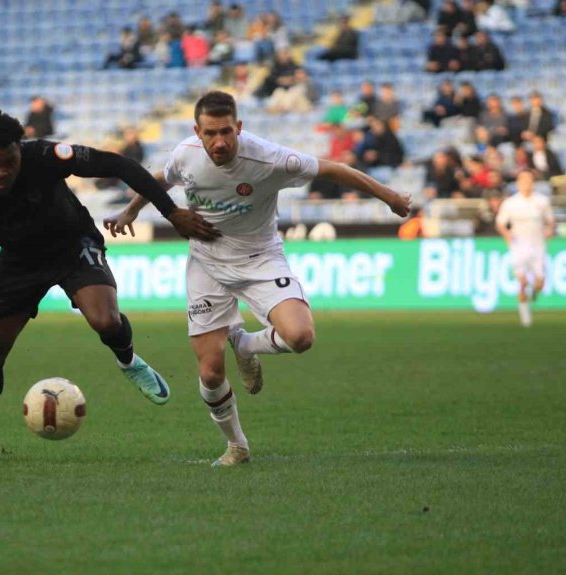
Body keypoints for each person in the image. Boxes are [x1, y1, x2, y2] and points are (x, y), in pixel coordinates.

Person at [0, 111, 219, 466]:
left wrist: (171, 212)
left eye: (8, 162)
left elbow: (120, 164)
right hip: (19, 260)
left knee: (105, 320)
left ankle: (129, 361)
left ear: (21, 149)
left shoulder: (46, 156)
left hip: (72, 245)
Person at [104, 91, 410, 466]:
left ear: (239, 128)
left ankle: (246, 345)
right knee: (211, 370)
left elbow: (332, 169)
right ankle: (237, 446)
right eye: (211, 133)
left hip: (260, 259)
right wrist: (130, 211)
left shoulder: (267, 158)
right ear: (196, 132)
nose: (220, 141)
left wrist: (389, 195)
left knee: (301, 337)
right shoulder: (185, 153)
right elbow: (160, 180)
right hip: (207, 263)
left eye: (227, 132)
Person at [495, 170, 554, 327]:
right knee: (522, 281)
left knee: (540, 283)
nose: (527, 183)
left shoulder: (542, 201)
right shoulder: (511, 203)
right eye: (523, 180)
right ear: (518, 183)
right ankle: (525, 316)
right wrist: (507, 234)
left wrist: (549, 230)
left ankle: (535, 290)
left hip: (537, 245)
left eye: (529, 180)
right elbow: (500, 223)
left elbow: (551, 221)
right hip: (519, 245)